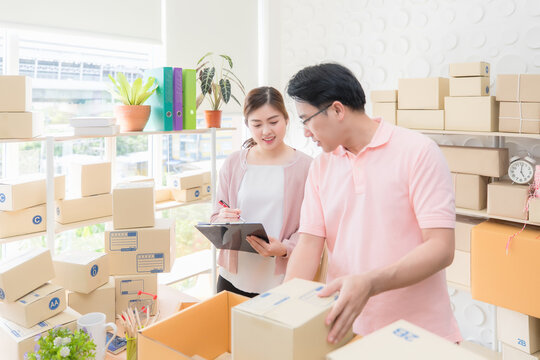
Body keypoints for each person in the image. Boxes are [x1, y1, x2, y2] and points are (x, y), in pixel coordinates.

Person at [283, 63, 461, 344]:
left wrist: (370, 283)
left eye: (306, 119)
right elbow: (309, 244)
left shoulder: (418, 152)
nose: (305, 131)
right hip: (345, 326)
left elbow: (441, 248)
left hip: (418, 331)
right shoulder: (321, 167)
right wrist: (284, 306)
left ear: (338, 110)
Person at [210, 86, 312, 297]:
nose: (266, 131)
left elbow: (311, 228)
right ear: (247, 125)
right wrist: (222, 218)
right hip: (232, 278)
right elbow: (215, 216)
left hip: (280, 281)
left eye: (273, 122)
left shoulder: (306, 167)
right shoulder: (233, 163)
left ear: (286, 119)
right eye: (257, 124)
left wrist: (285, 248)